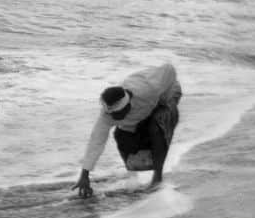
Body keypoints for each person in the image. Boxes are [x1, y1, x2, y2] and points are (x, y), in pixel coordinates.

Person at [73, 61, 182, 198]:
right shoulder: (108, 114)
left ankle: (157, 179)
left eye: (116, 114)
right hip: (145, 111)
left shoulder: (149, 88)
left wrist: (164, 100)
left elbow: (169, 69)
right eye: (110, 113)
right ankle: (134, 177)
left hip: (167, 95)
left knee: (157, 125)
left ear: (127, 105)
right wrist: (84, 175)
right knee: (121, 136)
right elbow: (96, 141)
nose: (113, 117)